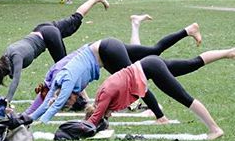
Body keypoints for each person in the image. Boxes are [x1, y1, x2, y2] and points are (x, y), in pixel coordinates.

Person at [28, 18, 202, 124]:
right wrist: (27, 116)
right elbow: (45, 103)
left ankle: (159, 116)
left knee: (136, 81)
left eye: (70, 101)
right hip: (106, 53)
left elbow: (53, 105)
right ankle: (188, 31)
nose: (75, 101)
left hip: (107, 51)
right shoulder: (61, 84)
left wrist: (38, 121)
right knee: (154, 52)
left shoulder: (66, 83)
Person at [85, 48, 235, 140]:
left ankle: (215, 130)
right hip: (150, 64)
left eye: (106, 116)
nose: (109, 116)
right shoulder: (101, 96)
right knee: (192, 63)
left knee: (184, 98)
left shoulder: (103, 99)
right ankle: (229, 52)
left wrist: (82, 129)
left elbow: (94, 119)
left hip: (151, 68)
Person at [0, 0, 110, 104]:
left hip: (49, 36)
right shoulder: (4, 58)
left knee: (67, 68)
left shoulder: (16, 57)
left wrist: (7, 101)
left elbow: (15, 81)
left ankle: (84, 98)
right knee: (75, 20)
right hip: (42, 29)